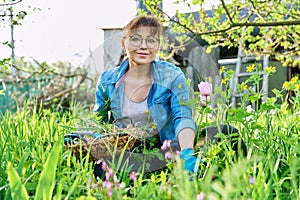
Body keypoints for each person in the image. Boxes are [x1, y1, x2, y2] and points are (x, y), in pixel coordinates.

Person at [93, 14, 200, 173]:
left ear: (158, 46)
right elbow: (99, 123)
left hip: (167, 149)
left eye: (151, 40)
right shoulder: (108, 81)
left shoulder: (172, 76)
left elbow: (182, 117)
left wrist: (187, 152)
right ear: (124, 43)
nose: (144, 46)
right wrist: (92, 140)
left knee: (227, 132)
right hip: (128, 151)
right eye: (136, 39)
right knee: (100, 169)